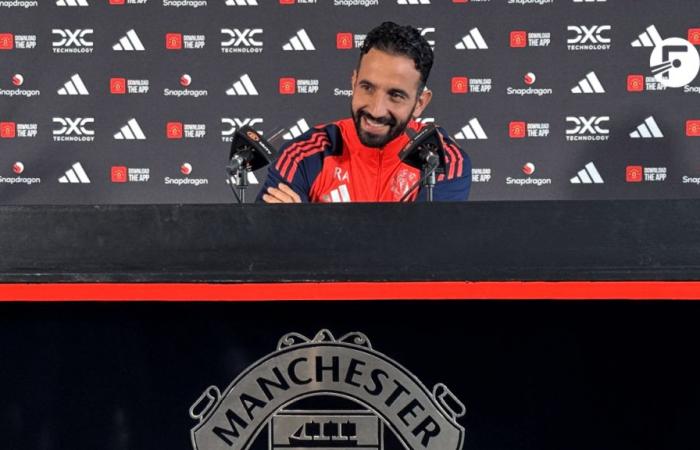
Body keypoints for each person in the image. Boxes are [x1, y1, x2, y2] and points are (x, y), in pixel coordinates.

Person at [258, 21, 471, 203]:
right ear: (353, 82)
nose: (376, 110)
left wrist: (306, 225)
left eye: (395, 95)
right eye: (367, 88)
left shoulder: (442, 160)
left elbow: (429, 246)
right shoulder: (303, 154)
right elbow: (267, 243)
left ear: (420, 103)